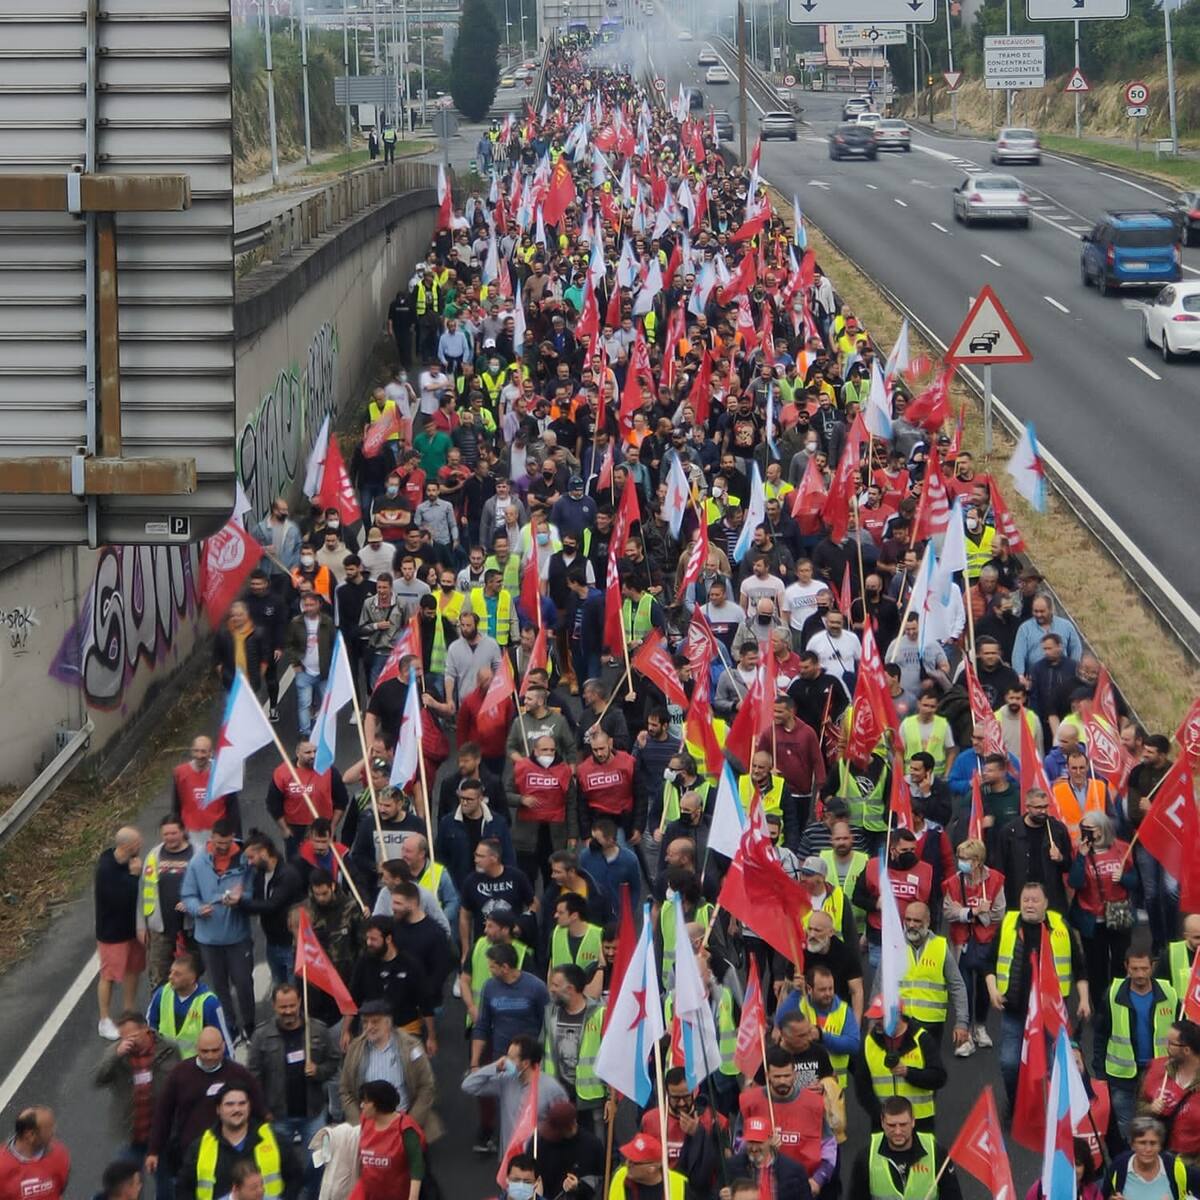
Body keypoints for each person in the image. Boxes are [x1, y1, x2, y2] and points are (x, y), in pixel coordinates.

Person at [986, 881, 1091, 1108]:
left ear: (1046, 904)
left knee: (1056, 1066)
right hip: (1014, 1012)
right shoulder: (1008, 924)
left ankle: (1055, 1114)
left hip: (1051, 1014)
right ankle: (1016, 1107)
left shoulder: (1061, 926)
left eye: (1034, 900)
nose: (1029, 905)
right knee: (1010, 1063)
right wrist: (992, 989)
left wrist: (1083, 998)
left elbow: (1079, 967)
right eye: (1025, 900)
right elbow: (989, 963)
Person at [144, 1026, 266, 1194]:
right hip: (191, 1155)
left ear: (223, 1047)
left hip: (233, 1154)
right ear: (196, 1048)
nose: (210, 1056)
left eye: (215, 1051)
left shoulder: (238, 1073)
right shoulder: (180, 1074)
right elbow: (163, 1114)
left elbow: (260, 1109)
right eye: (205, 1051)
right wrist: (154, 1150)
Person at [247, 984, 339, 1194]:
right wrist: (262, 1111)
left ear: (299, 1003)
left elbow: (333, 1062)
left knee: (319, 1164)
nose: (288, 1011)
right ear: (273, 1006)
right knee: (277, 1170)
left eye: (291, 1005)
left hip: (314, 1114)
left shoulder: (318, 1030)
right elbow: (253, 1077)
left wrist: (318, 1070)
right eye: (282, 1007)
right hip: (277, 1117)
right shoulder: (261, 1035)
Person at [180, 820, 256, 1046]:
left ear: (233, 837)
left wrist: (241, 899)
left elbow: (255, 892)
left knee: (243, 983)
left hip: (238, 937)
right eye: (218, 842)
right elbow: (188, 895)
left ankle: (250, 1026)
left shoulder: (246, 860)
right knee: (219, 986)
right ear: (211, 838)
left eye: (227, 842)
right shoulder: (197, 863)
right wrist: (196, 908)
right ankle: (229, 1027)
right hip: (208, 939)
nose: (222, 847)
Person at [1095, 948, 1180, 1140]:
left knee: (1158, 1122)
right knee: (1127, 1125)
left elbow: (1181, 1032)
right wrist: (1100, 1073)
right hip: (1122, 1075)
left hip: (1160, 1073)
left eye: (1144, 968)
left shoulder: (1169, 993)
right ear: (1126, 967)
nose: (1140, 974)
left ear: (1152, 967)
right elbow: (1100, 1035)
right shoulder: (1112, 994)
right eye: (1135, 969)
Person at [338, 1000, 442, 1139]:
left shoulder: (411, 1046)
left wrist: (409, 1125)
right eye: (365, 1022)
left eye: (375, 1022)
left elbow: (426, 1087)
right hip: (368, 1130)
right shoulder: (355, 1049)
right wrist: (359, 1126)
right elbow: (346, 1091)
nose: (369, 1027)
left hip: (403, 1124)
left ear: (388, 1022)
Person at [941, 837, 1005, 1058]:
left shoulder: (995, 880)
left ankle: (980, 1027)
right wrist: (973, 913)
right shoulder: (952, 882)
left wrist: (969, 914)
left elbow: (999, 912)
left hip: (986, 944)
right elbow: (948, 911)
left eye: (966, 858)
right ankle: (965, 1034)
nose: (961, 862)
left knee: (985, 989)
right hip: (962, 944)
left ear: (977, 861)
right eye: (960, 858)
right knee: (964, 990)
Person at [176, 1085, 298, 1200]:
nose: (237, 1109)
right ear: (218, 1109)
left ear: (249, 1107)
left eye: (242, 1104)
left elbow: (295, 1178)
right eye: (230, 1104)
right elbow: (184, 1189)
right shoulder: (200, 1146)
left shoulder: (274, 1139)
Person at [1068, 811, 1138, 1007]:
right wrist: (1081, 857)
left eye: (1090, 829)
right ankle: (1099, 1006)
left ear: (1102, 829)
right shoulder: (1077, 851)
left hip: (1118, 915)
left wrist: (1122, 878)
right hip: (1092, 919)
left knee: (1118, 962)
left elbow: (1135, 883)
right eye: (1084, 828)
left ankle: (1119, 1003)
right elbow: (1075, 882)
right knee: (1096, 966)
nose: (1086, 832)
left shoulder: (1122, 849)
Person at [93, 1009, 180, 1164]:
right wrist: (116, 1055)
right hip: (132, 1133)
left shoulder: (169, 1049)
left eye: (132, 1036)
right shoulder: (116, 1053)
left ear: (145, 1028)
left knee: (165, 1183)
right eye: (123, 1038)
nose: (128, 1042)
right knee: (128, 1182)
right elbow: (98, 1079)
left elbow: (179, 1084)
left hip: (162, 1131)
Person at [461, 1035, 568, 1157]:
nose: (506, 1061)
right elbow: (468, 1085)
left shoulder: (552, 1088)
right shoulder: (506, 1081)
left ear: (526, 1063)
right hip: (511, 1159)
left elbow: (563, 1124)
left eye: (511, 1058)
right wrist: (494, 1067)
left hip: (540, 1158)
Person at [849, 1096, 962, 1200]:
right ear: (882, 1123)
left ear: (913, 1121)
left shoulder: (937, 1153)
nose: (898, 1131)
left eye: (903, 1125)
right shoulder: (866, 1157)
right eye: (891, 1125)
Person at [95, 826, 145, 1040]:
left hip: (132, 929)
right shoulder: (106, 869)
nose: (141, 845)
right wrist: (135, 877)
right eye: (137, 843)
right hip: (112, 933)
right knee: (109, 975)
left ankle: (128, 1011)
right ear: (127, 846)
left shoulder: (128, 861)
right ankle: (104, 1019)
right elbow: (120, 899)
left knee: (133, 970)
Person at [238, 832, 305, 986]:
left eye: (251, 857)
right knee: (279, 987)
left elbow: (272, 905)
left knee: (293, 989)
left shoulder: (288, 875)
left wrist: (241, 902)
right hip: (272, 943)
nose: (249, 862)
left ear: (263, 852)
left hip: (290, 944)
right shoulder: (260, 875)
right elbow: (257, 902)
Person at [139, 814, 196, 989]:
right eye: (166, 834)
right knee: (159, 978)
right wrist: (141, 925)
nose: (170, 838)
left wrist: (192, 905)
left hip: (192, 928)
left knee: (190, 976)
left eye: (174, 833)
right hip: (160, 930)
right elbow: (142, 892)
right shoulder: (154, 856)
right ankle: (159, 1013)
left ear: (183, 832)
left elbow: (208, 889)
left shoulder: (197, 854)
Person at [351, 1080, 428, 1200]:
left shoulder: (405, 1128)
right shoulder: (365, 1122)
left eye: (366, 1102)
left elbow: (416, 1166)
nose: (361, 1106)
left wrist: (413, 1197)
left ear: (378, 1103)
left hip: (396, 1194)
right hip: (366, 1193)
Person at [146, 952, 233, 1058]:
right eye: (171, 972)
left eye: (177, 974)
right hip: (165, 1061)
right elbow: (150, 1026)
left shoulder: (209, 1003)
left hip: (195, 1065)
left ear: (192, 978)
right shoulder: (162, 993)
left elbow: (223, 1039)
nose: (170, 977)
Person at [1139, 1019, 1200, 1162]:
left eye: (1171, 1043)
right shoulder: (1156, 1068)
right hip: (1157, 1160)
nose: (1166, 1046)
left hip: (1193, 1167)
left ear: (1186, 1050)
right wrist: (1149, 1108)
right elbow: (1138, 1106)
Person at [1102, 1116, 1199, 1200]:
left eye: (1153, 1143)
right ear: (1132, 1144)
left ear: (1160, 1145)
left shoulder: (1175, 1168)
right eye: (1142, 1143)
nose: (1148, 1149)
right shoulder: (1118, 1167)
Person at [286, 592, 335, 737]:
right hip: (304, 671)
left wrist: (332, 664)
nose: (308, 608)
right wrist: (295, 663)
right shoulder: (296, 623)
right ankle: (305, 733)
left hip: (324, 671)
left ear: (319, 604)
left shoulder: (327, 621)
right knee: (304, 704)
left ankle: (324, 732)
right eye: (305, 605)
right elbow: (289, 645)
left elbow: (334, 644)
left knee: (326, 704)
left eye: (311, 604)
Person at [726, 1116, 810, 1200]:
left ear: (770, 1139)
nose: (754, 1148)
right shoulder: (732, 1167)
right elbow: (717, 1194)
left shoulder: (794, 1171)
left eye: (759, 1142)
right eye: (750, 1142)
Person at [0, 1108, 71, 1200]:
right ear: (31, 1135)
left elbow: (61, 1187)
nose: (53, 1132)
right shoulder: (2, 1166)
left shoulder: (59, 1154)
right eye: (48, 1129)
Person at [606, 1132, 688, 1200]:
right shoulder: (619, 1177)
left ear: (651, 1168)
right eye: (627, 1159)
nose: (627, 1164)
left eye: (633, 1162)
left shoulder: (681, 1185)